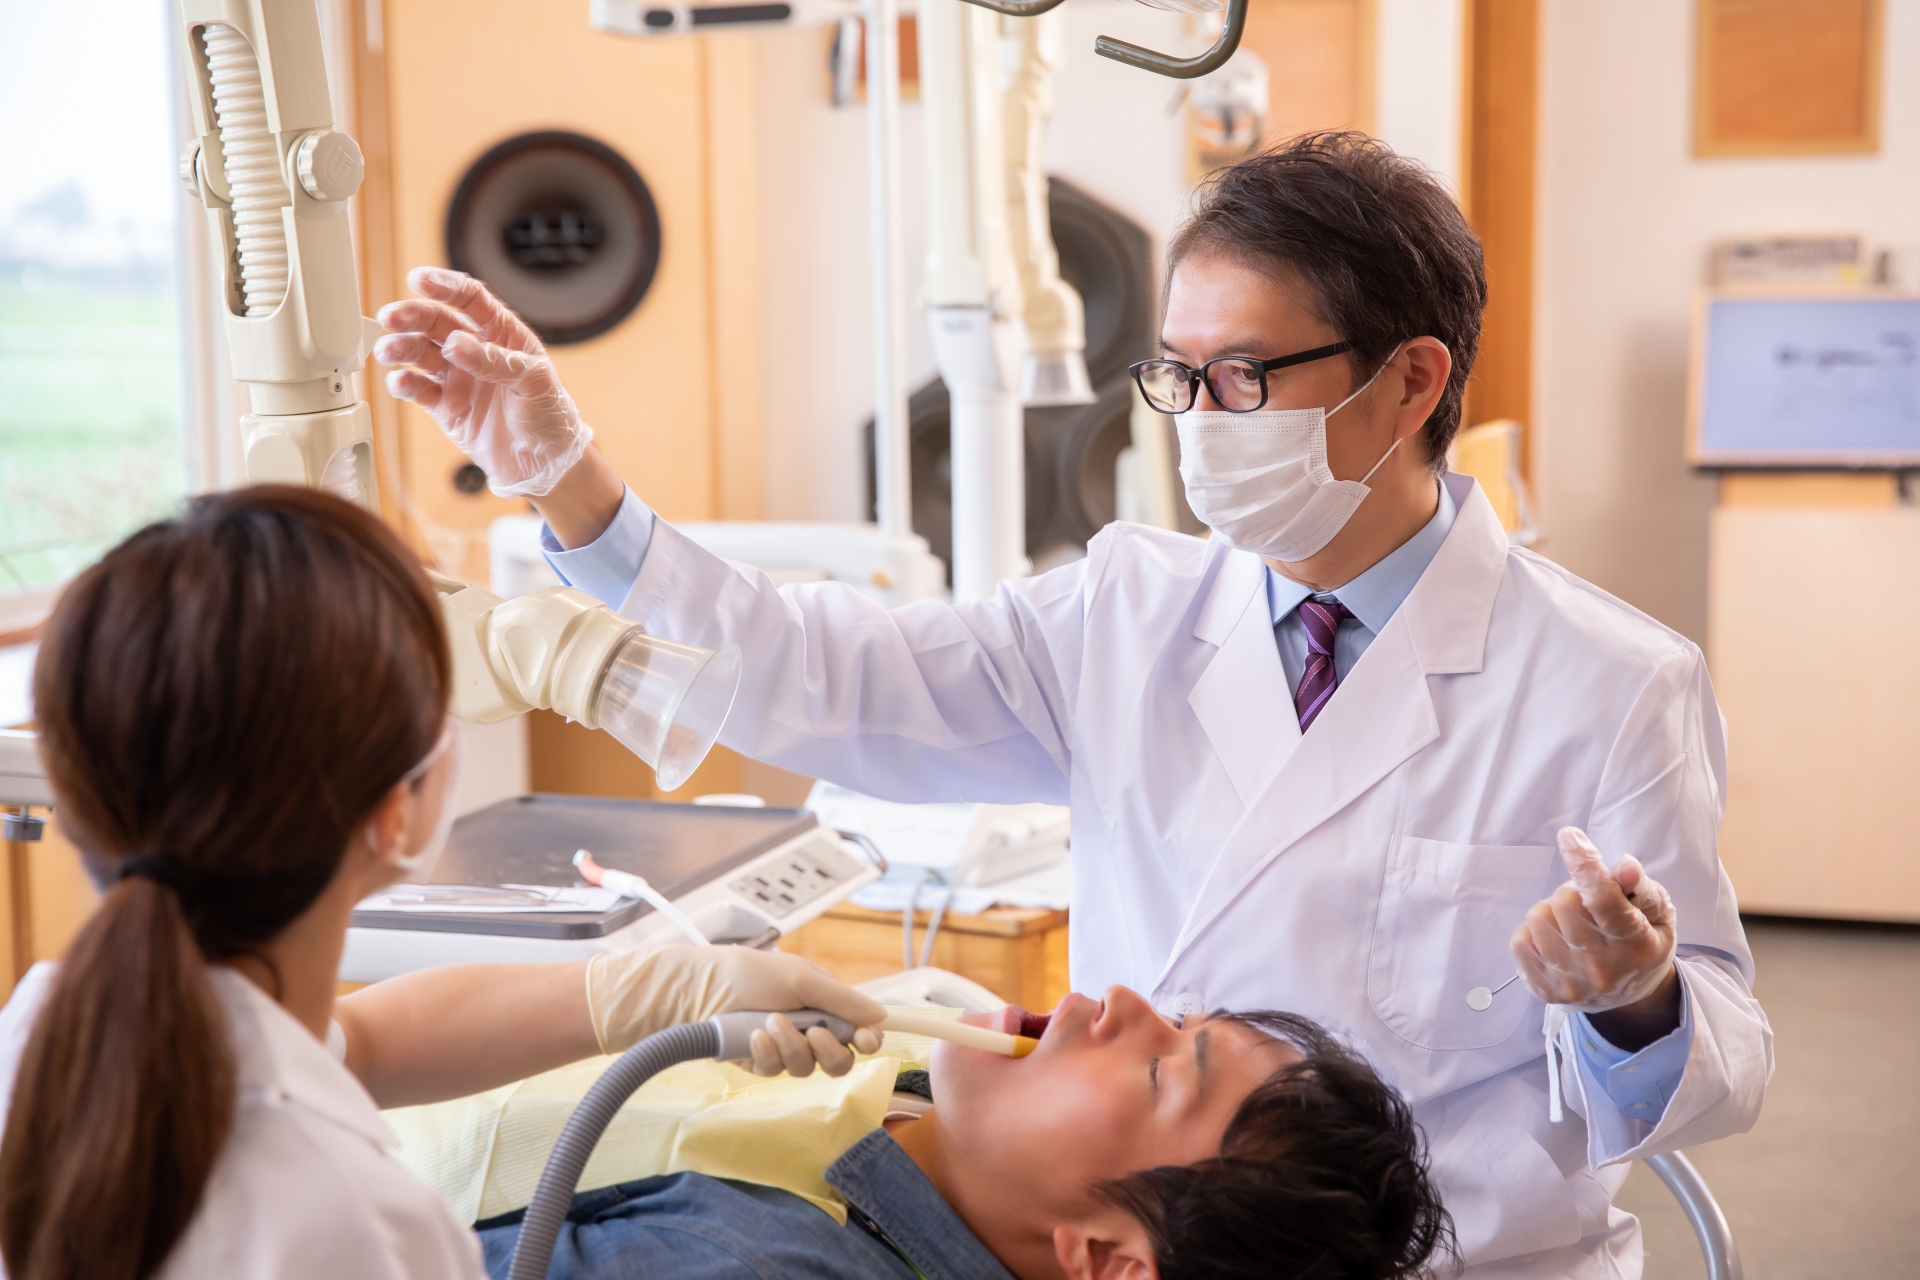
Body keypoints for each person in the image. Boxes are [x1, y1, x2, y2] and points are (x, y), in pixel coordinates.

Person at [377, 131, 1773, 1275]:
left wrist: (1634, 1002)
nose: (1204, 421)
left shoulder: (1608, 681)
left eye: (1246, 377)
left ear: (1410, 379)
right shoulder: (1130, 607)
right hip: (1139, 1248)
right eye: (1182, 375)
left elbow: (1723, 1067)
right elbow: (835, 677)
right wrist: (575, 488)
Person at [0, 487, 884, 1280]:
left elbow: (363, 1042)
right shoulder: (364, 1229)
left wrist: (657, 987)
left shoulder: (46, 1029)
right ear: (394, 814)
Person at [473, 989, 1452, 1280]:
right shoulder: (929, 1110)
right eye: (1174, 1012)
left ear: (1111, 1260)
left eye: (1159, 1068)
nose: (1111, 1000)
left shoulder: (750, 1266)